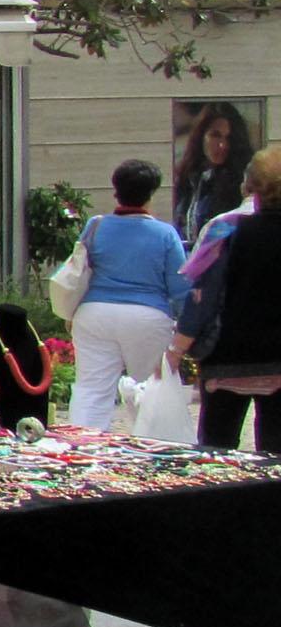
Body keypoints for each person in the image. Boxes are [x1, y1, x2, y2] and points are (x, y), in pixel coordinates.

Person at [64, 159, 187, 432]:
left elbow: (78, 269)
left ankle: (84, 450)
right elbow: (180, 287)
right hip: (148, 315)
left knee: (91, 390)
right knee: (152, 385)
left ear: (115, 190)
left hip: (94, 313)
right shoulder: (166, 234)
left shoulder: (95, 226)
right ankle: (152, 444)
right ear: (152, 192)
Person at [175, 144, 281, 453]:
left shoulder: (227, 231)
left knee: (217, 446)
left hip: (227, 357)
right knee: (275, 448)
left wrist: (177, 347)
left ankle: (219, 500)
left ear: (250, 186)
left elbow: (203, 295)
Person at [174, 102, 251, 246]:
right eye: (215, 136)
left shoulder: (239, 182)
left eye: (228, 138)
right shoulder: (188, 177)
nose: (222, 145)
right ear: (201, 136)